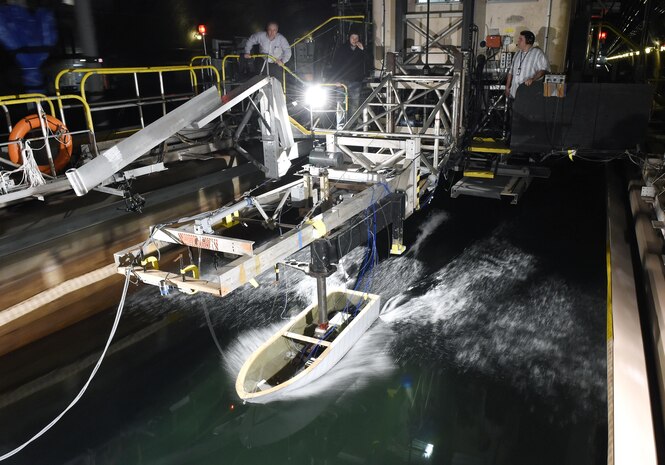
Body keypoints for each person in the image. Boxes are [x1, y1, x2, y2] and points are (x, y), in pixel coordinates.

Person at [504, 30, 550, 100]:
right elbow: (511, 71)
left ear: (528, 41)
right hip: (514, 93)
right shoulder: (517, 53)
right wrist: (507, 87)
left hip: (528, 94)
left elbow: (544, 70)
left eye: (521, 39)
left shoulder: (538, 53)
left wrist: (532, 79)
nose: (518, 41)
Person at [331, 32, 367, 118]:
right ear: (349, 38)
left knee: (354, 105)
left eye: (356, 38)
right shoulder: (342, 48)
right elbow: (335, 64)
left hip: (356, 81)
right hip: (342, 81)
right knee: (340, 104)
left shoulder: (361, 49)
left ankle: (352, 127)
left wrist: (363, 50)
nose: (354, 40)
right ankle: (340, 128)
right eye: (352, 38)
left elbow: (368, 61)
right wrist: (336, 80)